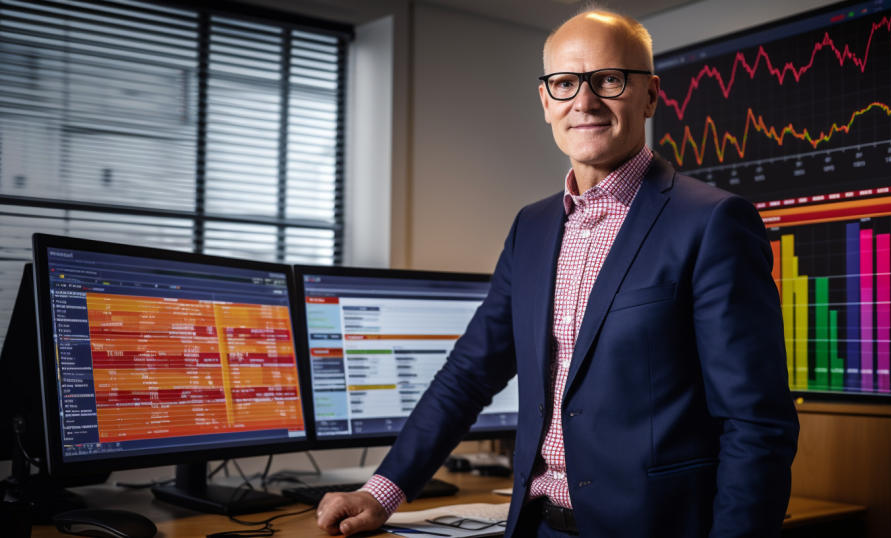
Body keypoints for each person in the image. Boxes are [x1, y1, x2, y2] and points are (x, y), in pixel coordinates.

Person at [316, 9, 799, 537]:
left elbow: (756, 423)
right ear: (546, 101)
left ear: (651, 94)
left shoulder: (712, 222)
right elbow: (468, 374)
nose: (584, 102)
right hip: (535, 526)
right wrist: (382, 491)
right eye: (565, 84)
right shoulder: (533, 226)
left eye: (609, 80)